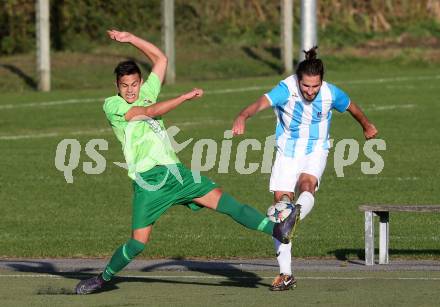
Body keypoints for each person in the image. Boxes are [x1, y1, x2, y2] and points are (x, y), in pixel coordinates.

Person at [75, 30, 298, 294]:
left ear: (140, 81)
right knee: (137, 243)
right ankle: (103, 278)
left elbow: (161, 59)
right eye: (124, 86)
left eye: (134, 84)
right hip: (150, 182)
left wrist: (131, 39)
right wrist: (181, 98)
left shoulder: (146, 91)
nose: (130, 90)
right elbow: (148, 112)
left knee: (224, 201)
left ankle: (276, 229)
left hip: (176, 173)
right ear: (117, 87)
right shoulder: (113, 106)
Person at [232, 47, 378, 291]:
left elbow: (352, 106)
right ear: (299, 80)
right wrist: (242, 116)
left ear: (321, 82)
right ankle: (286, 273)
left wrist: (366, 124)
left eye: (315, 86)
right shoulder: (285, 89)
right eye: (306, 86)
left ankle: (295, 213)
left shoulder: (331, 93)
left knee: (307, 185)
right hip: (287, 151)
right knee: (279, 208)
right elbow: (258, 104)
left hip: (316, 149)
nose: (310, 91)